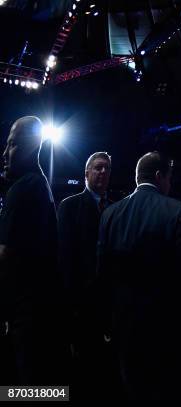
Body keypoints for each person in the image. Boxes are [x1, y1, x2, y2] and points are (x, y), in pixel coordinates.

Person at [97, 152, 181, 405]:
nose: (170, 184)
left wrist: (107, 322)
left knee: (133, 393)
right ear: (159, 176)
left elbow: (103, 273)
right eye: (169, 178)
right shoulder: (177, 211)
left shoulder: (110, 214)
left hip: (124, 326)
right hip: (166, 330)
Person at [0, 116, 66, 384]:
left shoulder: (23, 188)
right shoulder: (40, 185)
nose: (5, 153)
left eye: (13, 145)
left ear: (29, 146)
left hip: (25, 315)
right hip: (41, 313)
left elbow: (5, 254)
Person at [57, 151, 115, 401]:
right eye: (98, 168)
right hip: (82, 304)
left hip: (110, 304)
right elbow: (65, 258)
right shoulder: (69, 206)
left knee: (106, 372)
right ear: (86, 173)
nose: (103, 173)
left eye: (107, 169)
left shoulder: (115, 208)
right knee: (83, 371)